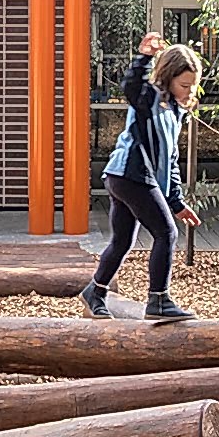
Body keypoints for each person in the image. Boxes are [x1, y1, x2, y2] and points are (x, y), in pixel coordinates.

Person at [80, 32, 203, 321]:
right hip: (132, 175)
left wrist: (176, 201)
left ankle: (94, 293)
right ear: (169, 78)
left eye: (192, 86)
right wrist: (144, 57)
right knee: (166, 233)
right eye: (184, 85)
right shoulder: (151, 98)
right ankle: (158, 301)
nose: (188, 91)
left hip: (122, 177)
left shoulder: (175, 111)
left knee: (122, 241)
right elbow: (132, 86)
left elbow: (170, 160)